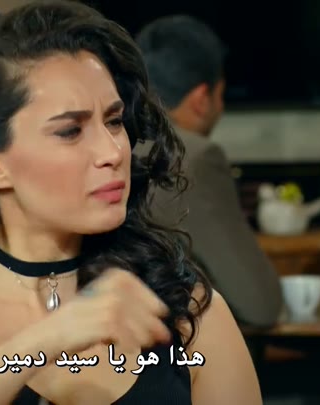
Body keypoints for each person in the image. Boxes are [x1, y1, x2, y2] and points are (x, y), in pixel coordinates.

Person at [0, 2, 262, 404]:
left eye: (114, 121)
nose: (113, 151)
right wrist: (43, 342)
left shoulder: (188, 311)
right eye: (70, 131)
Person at [133, 15, 282, 327]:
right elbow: (260, 303)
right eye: (221, 95)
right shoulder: (195, 157)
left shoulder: (120, 145)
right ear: (202, 99)